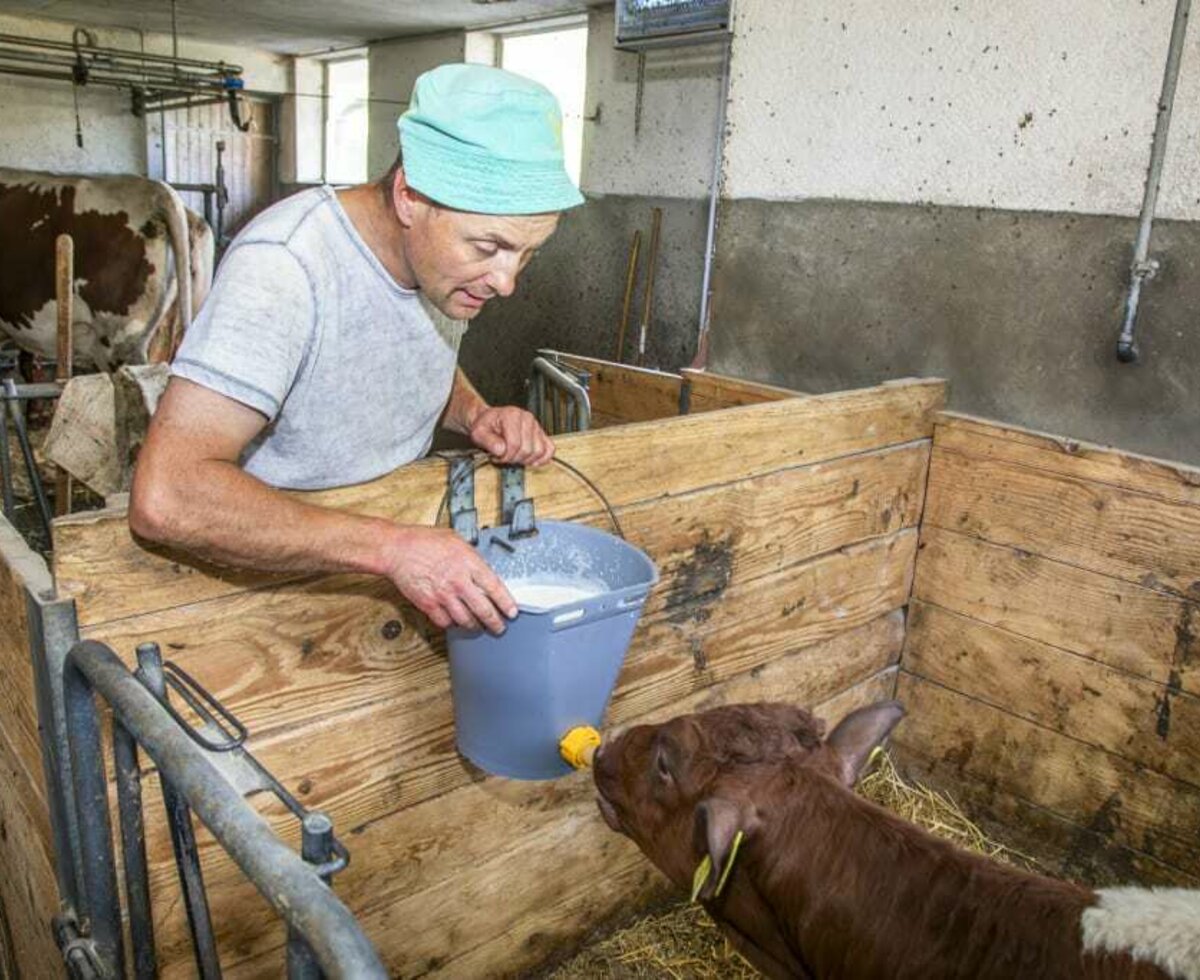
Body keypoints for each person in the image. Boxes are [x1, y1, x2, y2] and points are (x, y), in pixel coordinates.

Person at [129, 64, 584, 636]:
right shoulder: (286, 265)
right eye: (490, 246)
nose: (506, 282)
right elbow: (167, 495)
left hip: (381, 567)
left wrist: (475, 414)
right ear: (409, 197)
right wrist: (392, 549)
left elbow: (407, 350)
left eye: (527, 255)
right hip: (263, 594)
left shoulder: (444, 270)